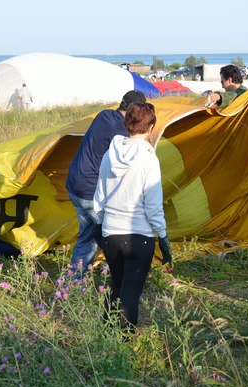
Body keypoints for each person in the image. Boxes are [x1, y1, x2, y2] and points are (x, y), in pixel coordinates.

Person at [93, 102, 172, 330]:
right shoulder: (148, 159)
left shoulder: (110, 153)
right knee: (130, 292)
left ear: (127, 123)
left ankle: (107, 336)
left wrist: (100, 224)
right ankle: (124, 344)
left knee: (116, 284)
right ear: (151, 127)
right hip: (139, 236)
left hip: (111, 234)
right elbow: (153, 206)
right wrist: (164, 238)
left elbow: (100, 195)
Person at [65, 90, 147, 273]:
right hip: (90, 192)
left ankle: (75, 282)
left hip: (74, 184)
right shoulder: (122, 134)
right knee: (116, 234)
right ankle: (123, 275)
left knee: (88, 235)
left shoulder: (104, 115)